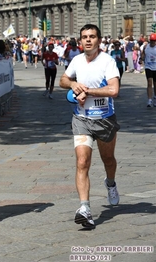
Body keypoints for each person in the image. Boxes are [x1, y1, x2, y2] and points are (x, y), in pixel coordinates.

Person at [59, 24, 120, 229]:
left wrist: (89, 92)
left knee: (108, 159)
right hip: (81, 119)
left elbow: (114, 90)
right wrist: (73, 85)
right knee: (82, 161)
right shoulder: (76, 60)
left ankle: (110, 183)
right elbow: (63, 79)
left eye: (92, 36)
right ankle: (84, 208)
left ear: (99, 40)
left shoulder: (107, 61)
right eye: (84, 37)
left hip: (105, 120)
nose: (87, 40)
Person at [141, 33, 156, 107]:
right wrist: (141, 59)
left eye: (154, 41)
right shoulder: (146, 46)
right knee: (149, 83)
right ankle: (149, 100)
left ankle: (155, 97)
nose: (153, 42)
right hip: (148, 67)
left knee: (155, 84)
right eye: (152, 40)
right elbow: (143, 54)